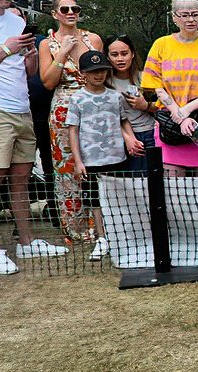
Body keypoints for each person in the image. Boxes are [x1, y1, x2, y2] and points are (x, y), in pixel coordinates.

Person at [0, 0, 71, 275]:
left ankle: (27, 242)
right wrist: (6, 48)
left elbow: (28, 70)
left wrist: (29, 56)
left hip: (23, 110)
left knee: (21, 180)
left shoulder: (16, 20)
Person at [65, 50, 142, 263]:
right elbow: (73, 130)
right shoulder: (77, 99)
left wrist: (131, 140)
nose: (98, 75)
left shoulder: (115, 96)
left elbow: (123, 120)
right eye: (93, 71)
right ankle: (102, 238)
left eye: (102, 71)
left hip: (117, 157)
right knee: (95, 201)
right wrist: (78, 161)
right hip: (91, 160)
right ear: (83, 74)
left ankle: (121, 236)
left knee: (119, 197)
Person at [142, 0, 198, 177]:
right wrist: (179, 115)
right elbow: (155, 85)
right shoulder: (161, 44)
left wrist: (187, 110)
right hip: (170, 121)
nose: (190, 20)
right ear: (174, 18)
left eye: (195, 14)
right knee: (173, 185)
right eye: (184, 15)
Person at [39, 0, 102, 239]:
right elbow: (47, 81)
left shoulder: (93, 40)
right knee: (67, 169)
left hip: (93, 106)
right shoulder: (48, 43)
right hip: (63, 110)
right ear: (55, 14)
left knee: (96, 164)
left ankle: (101, 227)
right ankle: (74, 228)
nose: (70, 13)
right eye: (64, 9)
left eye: (75, 9)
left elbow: (101, 73)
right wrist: (63, 52)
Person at [106, 36, 155, 175]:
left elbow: (162, 106)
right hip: (119, 138)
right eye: (114, 55)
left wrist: (145, 105)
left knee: (149, 182)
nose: (120, 59)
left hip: (149, 134)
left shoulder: (145, 77)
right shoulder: (105, 82)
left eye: (124, 53)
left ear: (132, 54)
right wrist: (128, 137)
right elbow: (108, 115)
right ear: (108, 57)